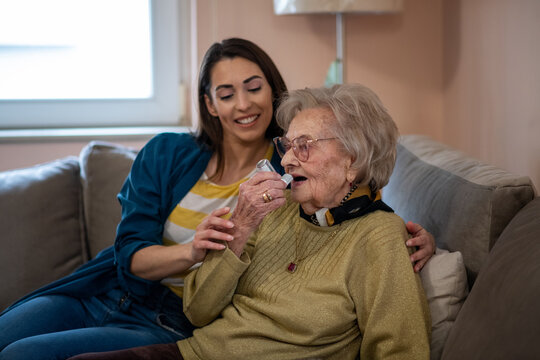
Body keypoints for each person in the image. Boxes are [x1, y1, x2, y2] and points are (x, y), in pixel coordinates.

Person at [0, 39, 433, 360]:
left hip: (171, 319)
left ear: (273, 90)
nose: (243, 104)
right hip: (113, 291)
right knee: (9, 337)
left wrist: (412, 237)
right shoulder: (173, 154)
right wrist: (199, 248)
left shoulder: (286, 171)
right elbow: (128, 253)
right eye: (225, 94)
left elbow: (354, 196)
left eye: (253, 87)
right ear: (209, 104)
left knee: (24, 355)